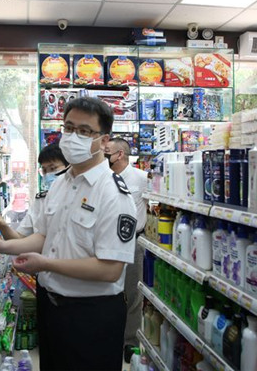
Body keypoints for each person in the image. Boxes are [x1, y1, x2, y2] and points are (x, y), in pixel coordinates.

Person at [0, 97, 137, 371]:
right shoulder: (60, 184)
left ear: (104, 141)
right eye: (69, 128)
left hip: (91, 315)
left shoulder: (113, 193)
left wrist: (46, 264)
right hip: (50, 306)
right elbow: (43, 237)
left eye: (84, 131)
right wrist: (0, 246)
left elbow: (110, 269)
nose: (73, 137)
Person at [104, 138, 149, 362]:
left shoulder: (142, 178)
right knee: (108, 291)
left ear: (120, 154)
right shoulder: (104, 178)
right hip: (106, 242)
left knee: (133, 294)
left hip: (133, 243)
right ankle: (109, 338)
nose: (104, 155)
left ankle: (130, 342)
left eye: (107, 152)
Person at [0, 142, 69, 240]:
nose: (48, 175)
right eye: (44, 170)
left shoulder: (79, 197)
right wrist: (2, 226)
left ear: (69, 167)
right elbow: (20, 238)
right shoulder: (41, 201)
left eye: (53, 168)